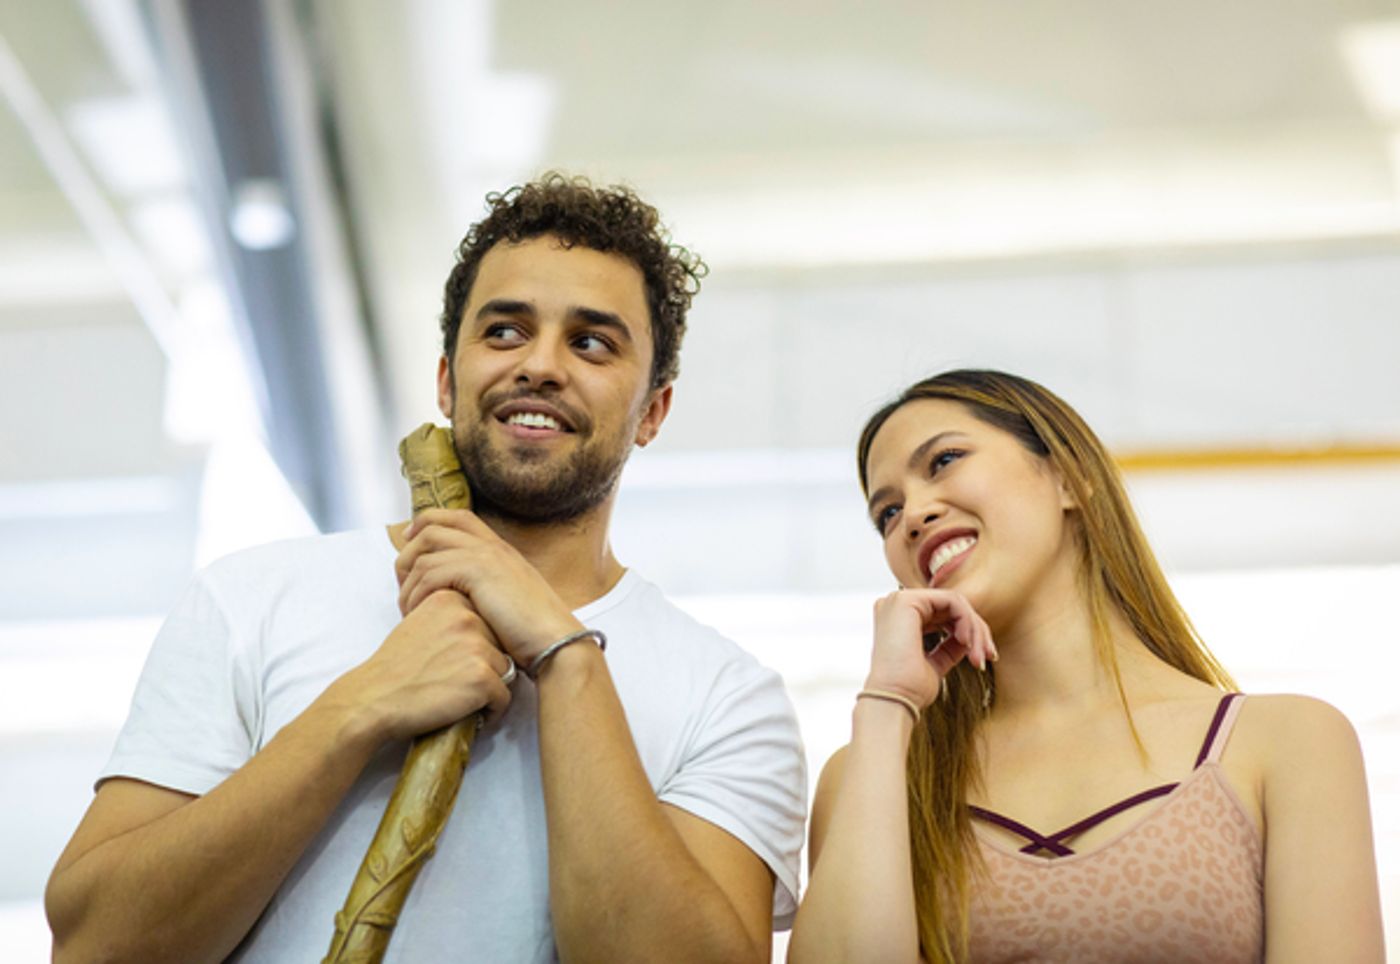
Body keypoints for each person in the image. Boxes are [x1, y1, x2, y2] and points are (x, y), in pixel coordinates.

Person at [45, 173, 806, 963]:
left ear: (653, 410)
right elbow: (95, 945)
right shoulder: (250, 599)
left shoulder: (727, 697)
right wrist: (357, 708)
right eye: (505, 332)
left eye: (591, 342)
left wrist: (567, 659)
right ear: (447, 379)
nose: (540, 365)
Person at [789, 369, 1384, 963]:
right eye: (886, 515)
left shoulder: (1289, 742)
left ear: (1070, 476)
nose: (912, 515)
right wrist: (887, 703)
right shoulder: (872, 774)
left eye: (943, 461)